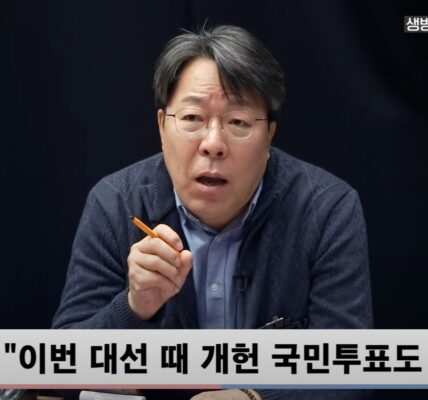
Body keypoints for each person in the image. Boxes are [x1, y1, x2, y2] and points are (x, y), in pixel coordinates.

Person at [53, 25, 373, 399]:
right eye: (192, 118)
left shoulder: (327, 208)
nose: (213, 144)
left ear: (269, 135)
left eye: (238, 122)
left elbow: (352, 368)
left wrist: (254, 396)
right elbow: (61, 365)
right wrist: (135, 306)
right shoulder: (115, 203)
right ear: (162, 126)